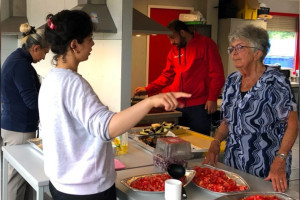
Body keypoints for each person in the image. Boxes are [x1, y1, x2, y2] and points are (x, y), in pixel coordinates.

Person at [39, 10, 191, 200]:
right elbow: (106, 128)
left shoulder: (51, 79)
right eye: (89, 38)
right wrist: (150, 101)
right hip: (87, 190)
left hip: (62, 186)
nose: (93, 43)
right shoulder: (73, 83)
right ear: (74, 45)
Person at [202, 24, 298, 193]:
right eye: (231, 48)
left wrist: (280, 159)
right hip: (233, 164)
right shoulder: (232, 81)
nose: (233, 52)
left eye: (240, 47)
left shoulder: (275, 82)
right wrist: (216, 142)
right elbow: (228, 120)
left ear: (257, 53)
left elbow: (292, 125)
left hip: (267, 165)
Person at [134, 19, 225, 135]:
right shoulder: (173, 52)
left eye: (173, 37)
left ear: (182, 33)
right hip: (177, 105)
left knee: (200, 141)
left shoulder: (206, 44)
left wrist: (212, 98)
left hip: (199, 106)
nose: (171, 42)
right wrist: (148, 89)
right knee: (178, 141)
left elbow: (217, 74)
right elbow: (166, 76)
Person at [1, 23, 49, 200]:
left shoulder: (17, 59)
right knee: (16, 178)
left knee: (23, 177)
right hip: (19, 129)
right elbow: (31, 101)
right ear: (35, 48)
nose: (44, 57)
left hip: (15, 125)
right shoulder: (21, 65)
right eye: (45, 52)